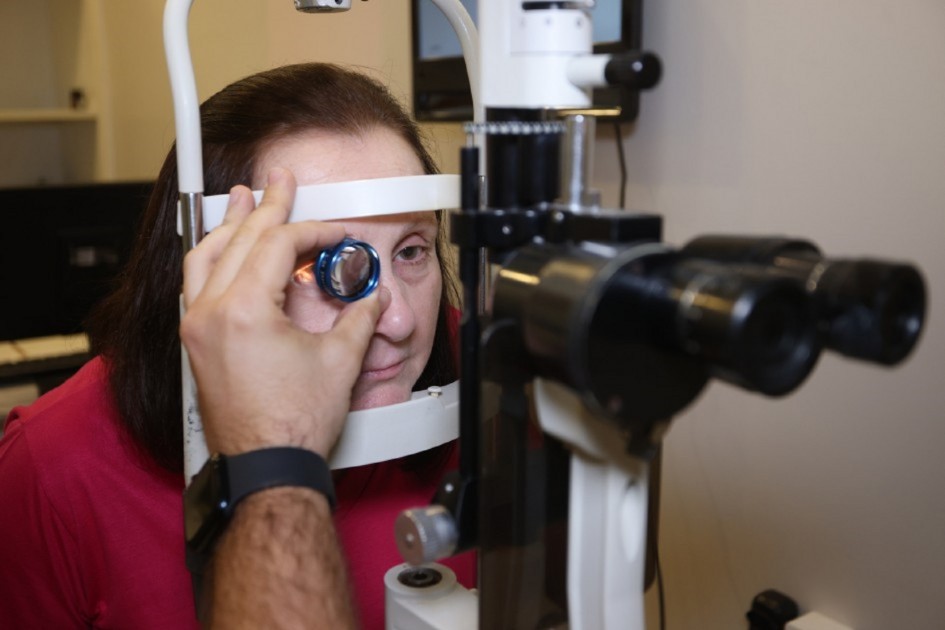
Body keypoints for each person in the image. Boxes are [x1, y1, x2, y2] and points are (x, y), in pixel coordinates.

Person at [0, 63, 473, 629]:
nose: (398, 320)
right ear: (208, 272)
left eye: (412, 250)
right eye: (325, 265)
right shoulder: (52, 470)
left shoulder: (492, 379)